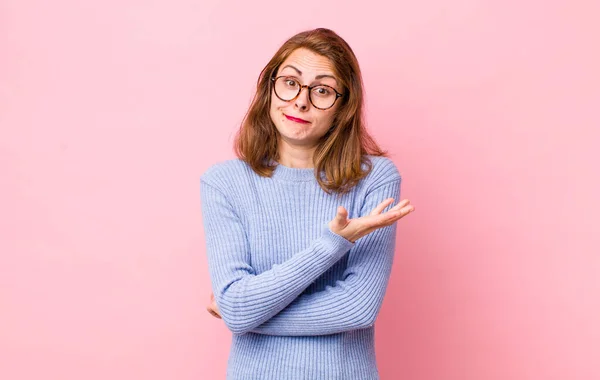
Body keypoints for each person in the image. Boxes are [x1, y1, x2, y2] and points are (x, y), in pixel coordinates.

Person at [200, 27, 415, 380]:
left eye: (322, 91)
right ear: (269, 87)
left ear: (343, 106)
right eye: (289, 82)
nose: (301, 100)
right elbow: (237, 309)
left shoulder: (375, 178)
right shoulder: (224, 183)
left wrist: (245, 312)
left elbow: (358, 307)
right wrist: (335, 242)